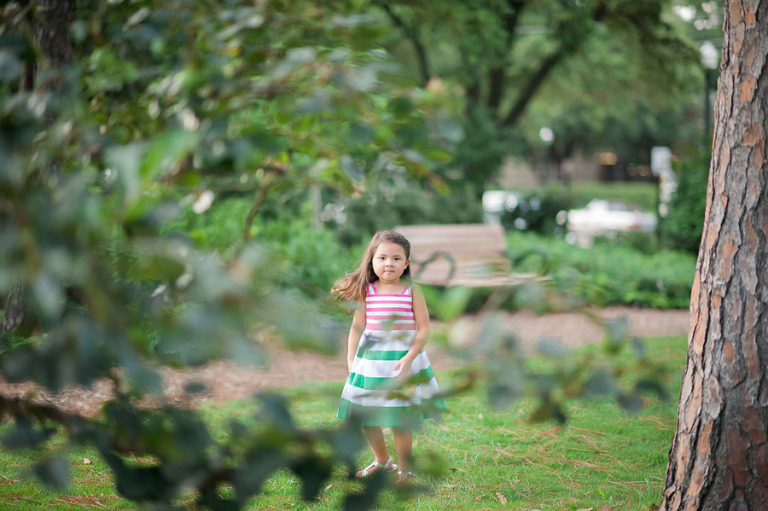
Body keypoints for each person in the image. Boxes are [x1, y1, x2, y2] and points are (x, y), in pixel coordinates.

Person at [332, 230, 446, 487]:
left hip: (402, 361)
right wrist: (351, 360)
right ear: (372, 260)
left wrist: (409, 358)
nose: (389, 263)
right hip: (370, 362)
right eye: (382, 257)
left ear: (406, 263)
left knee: (400, 417)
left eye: (396, 258)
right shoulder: (367, 291)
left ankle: (406, 471)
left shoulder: (412, 291)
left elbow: (424, 329)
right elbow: (357, 328)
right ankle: (383, 461)